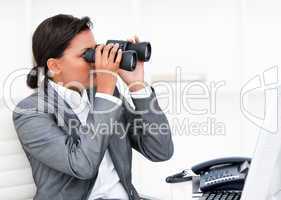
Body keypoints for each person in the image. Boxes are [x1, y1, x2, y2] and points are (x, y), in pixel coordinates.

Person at [12, 14, 174, 200]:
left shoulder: (106, 95)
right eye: (87, 54)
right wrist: (105, 92)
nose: (96, 61)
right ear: (55, 66)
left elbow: (160, 150)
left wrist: (137, 86)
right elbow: (83, 165)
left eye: (96, 50)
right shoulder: (30, 112)